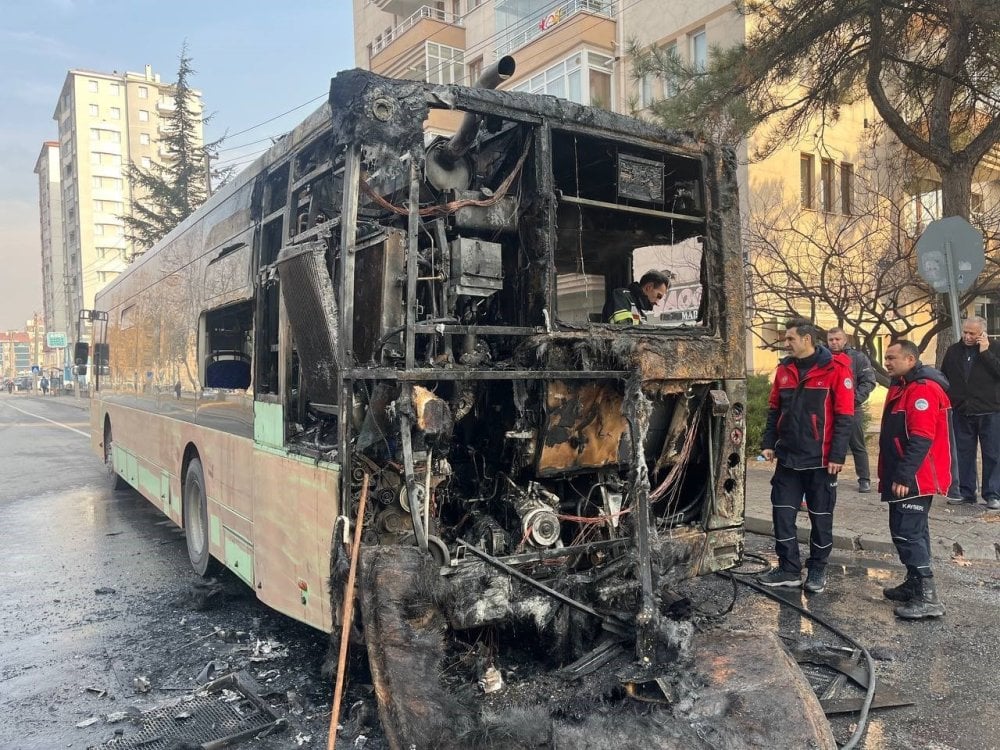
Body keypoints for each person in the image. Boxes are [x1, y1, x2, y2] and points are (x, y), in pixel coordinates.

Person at [759, 318, 855, 593]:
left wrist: (837, 456)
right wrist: (769, 443)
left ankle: (817, 569)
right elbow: (774, 409)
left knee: (821, 517)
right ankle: (789, 569)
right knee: (782, 514)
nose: (785, 343)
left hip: (821, 461)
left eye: (790, 339)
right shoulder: (784, 369)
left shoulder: (836, 369)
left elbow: (845, 417)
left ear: (807, 339)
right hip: (788, 458)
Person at [878, 340, 951, 619]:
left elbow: (921, 437)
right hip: (905, 473)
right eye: (886, 357)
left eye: (892, 357)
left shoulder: (922, 390)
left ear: (910, 360)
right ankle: (914, 584)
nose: (887, 362)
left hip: (916, 476)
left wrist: (905, 475)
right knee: (911, 531)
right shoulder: (902, 385)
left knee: (908, 532)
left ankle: (928, 598)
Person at [939, 316, 1000, 510]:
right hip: (962, 411)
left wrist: (985, 352)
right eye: (965, 332)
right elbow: (944, 377)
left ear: (982, 333)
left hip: (990, 410)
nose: (966, 336)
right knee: (964, 454)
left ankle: (993, 494)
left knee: (992, 454)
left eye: (972, 333)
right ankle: (966, 492)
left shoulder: (995, 348)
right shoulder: (953, 351)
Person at [826, 327, 877, 493]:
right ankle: (829, 477)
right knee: (828, 444)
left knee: (857, 445)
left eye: (837, 339)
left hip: (851, 409)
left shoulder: (857, 357)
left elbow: (868, 381)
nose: (834, 343)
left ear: (845, 339)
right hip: (827, 410)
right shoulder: (822, 358)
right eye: (831, 340)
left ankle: (864, 479)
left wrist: (852, 400)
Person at [603, 269, 671, 325]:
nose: (657, 303)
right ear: (649, 287)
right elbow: (624, 329)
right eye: (658, 296)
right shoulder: (622, 296)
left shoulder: (639, 307)